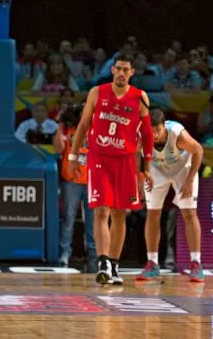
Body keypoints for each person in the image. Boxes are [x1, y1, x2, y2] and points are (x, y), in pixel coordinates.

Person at [68, 54, 153, 286]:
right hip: (99, 158)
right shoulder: (97, 92)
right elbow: (84, 125)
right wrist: (74, 156)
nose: (121, 73)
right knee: (101, 210)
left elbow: (147, 135)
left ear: (132, 72)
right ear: (112, 70)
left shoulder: (140, 98)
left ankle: (114, 265)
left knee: (119, 214)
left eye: (126, 70)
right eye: (118, 69)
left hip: (125, 160)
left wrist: (147, 167)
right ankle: (103, 261)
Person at [136, 109, 204, 282]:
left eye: (157, 131)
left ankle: (196, 264)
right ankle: (152, 263)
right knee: (152, 213)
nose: (155, 135)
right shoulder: (140, 134)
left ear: (163, 126)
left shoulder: (177, 133)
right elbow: (134, 155)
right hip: (156, 169)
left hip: (183, 169)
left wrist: (189, 181)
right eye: (151, 131)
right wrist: (140, 176)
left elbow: (198, 150)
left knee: (189, 213)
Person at [53, 103, 96, 269]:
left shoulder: (97, 127)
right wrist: (60, 124)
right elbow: (58, 148)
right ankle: (64, 253)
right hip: (72, 179)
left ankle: (93, 254)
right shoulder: (68, 129)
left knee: (93, 221)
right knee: (68, 218)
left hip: (93, 179)